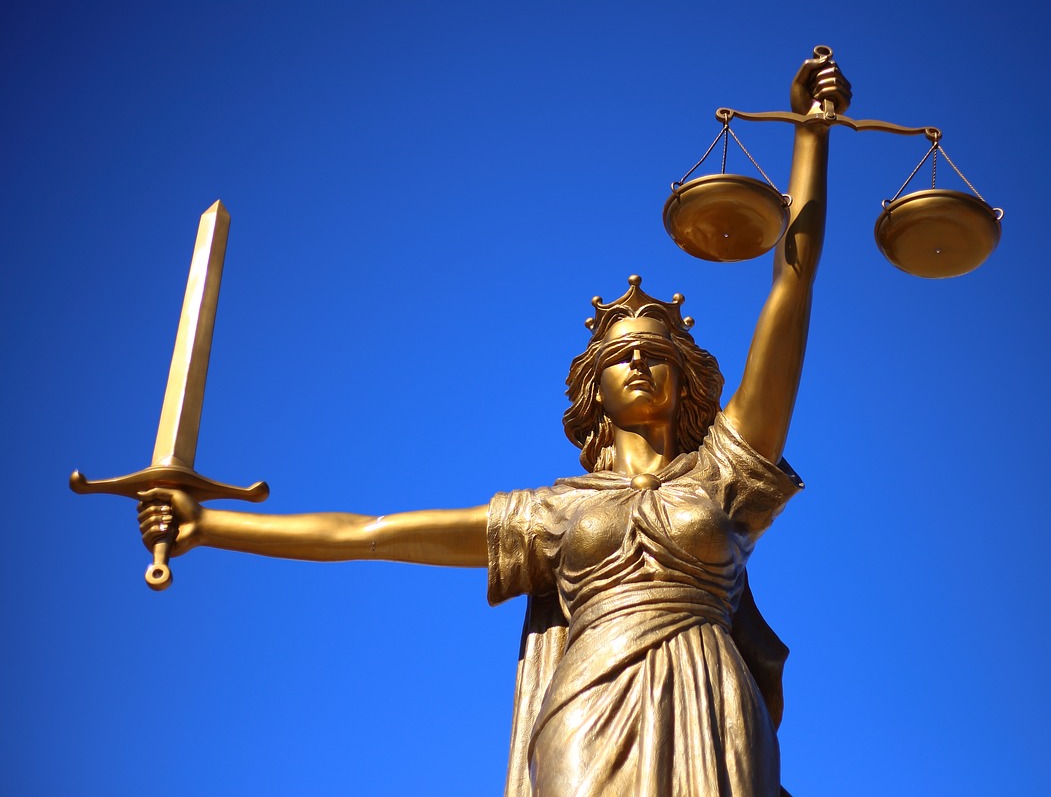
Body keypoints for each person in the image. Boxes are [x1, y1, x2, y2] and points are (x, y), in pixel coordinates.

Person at [139, 53, 851, 797]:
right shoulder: (551, 512)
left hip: (710, 699)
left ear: (688, 379)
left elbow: (791, 290)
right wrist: (206, 526)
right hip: (586, 706)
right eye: (621, 357)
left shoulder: (728, 476)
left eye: (656, 355)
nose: (640, 364)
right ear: (594, 391)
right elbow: (371, 534)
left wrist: (812, 138)